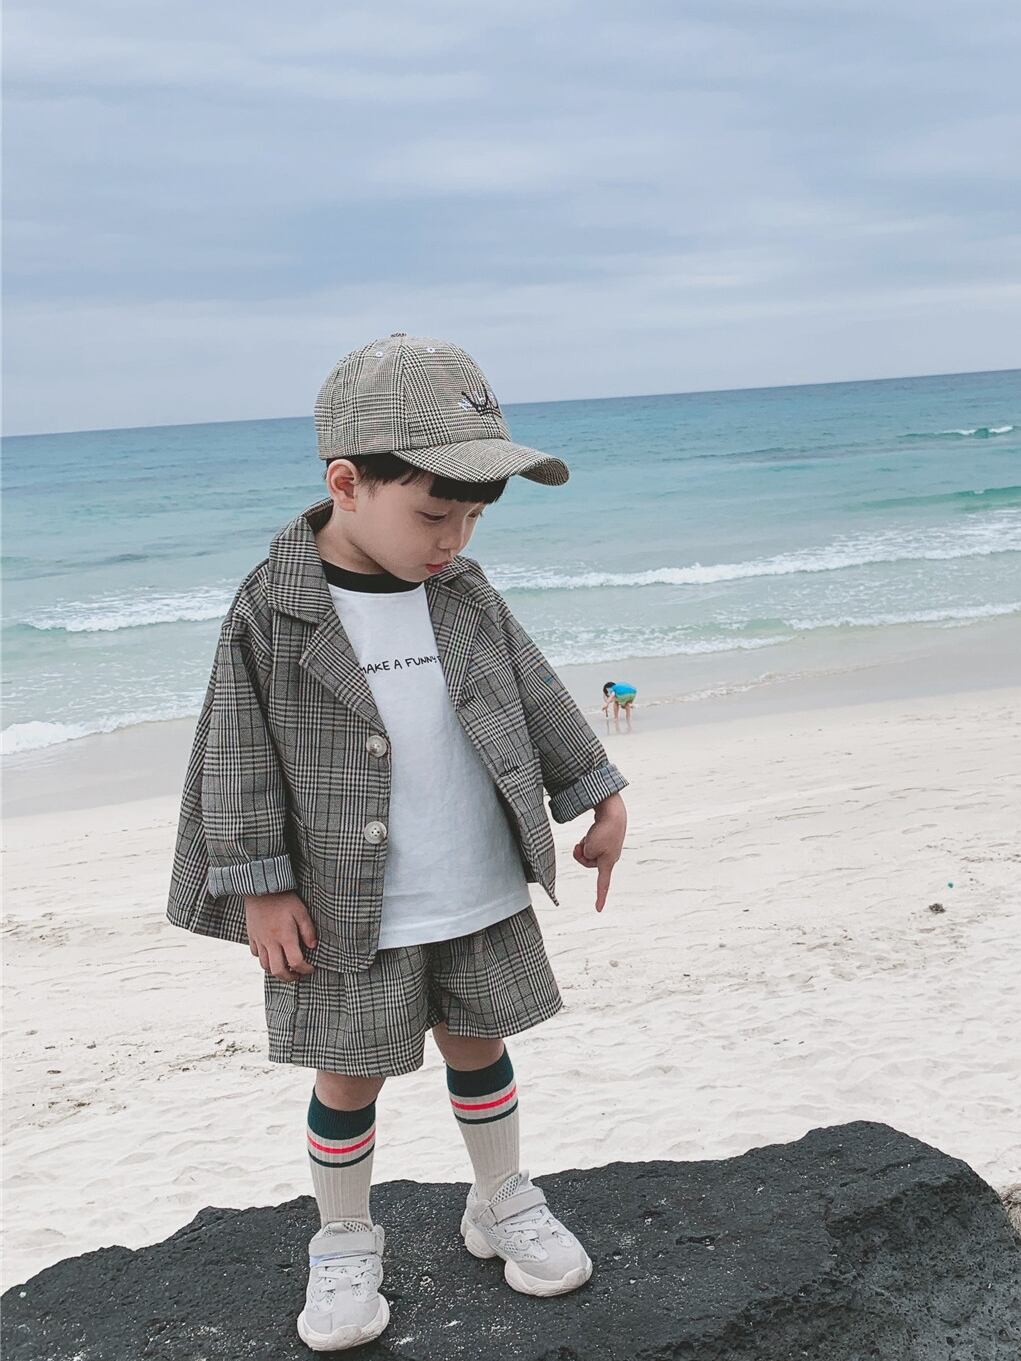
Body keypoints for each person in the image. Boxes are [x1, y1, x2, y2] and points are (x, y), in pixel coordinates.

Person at [168, 334, 629, 1352]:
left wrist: (595, 792)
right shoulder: (274, 609)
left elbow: (536, 691)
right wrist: (260, 885)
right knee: (347, 1073)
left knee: (481, 1041)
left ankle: (499, 1197)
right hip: (346, 901)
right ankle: (342, 1236)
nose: (452, 538)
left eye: (472, 516)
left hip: (474, 877)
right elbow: (233, 751)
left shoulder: (464, 593)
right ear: (347, 482)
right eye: (433, 513)